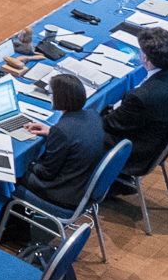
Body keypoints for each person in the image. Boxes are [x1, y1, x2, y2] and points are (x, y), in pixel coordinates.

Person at [101, 26, 168, 186]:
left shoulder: (142, 97)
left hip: (138, 150)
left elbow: (109, 125)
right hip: (157, 137)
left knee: (79, 133)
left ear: (146, 59)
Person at [15, 74, 108, 212]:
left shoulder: (62, 131)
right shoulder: (92, 115)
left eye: (51, 93)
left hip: (62, 194)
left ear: (59, 98)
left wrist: (28, 164)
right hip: (83, 186)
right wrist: (51, 131)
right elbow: (74, 135)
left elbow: (46, 173)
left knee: (13, 176)